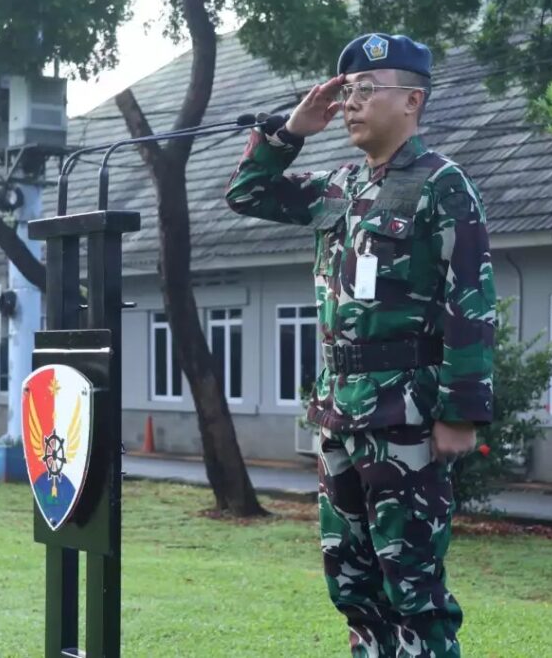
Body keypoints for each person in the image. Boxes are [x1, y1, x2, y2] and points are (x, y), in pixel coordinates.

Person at [225, 33, 495, 657]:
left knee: (413, 590)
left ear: (413, 101)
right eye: (346, 92)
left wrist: (461, 412)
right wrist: (290, 131)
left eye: (367, 91)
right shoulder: (339, 188)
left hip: (406, 417)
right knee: (351, 584)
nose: (351, 104)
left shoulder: (441, 186)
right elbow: (247, 193)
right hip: (339, 411)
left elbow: (471, 304)